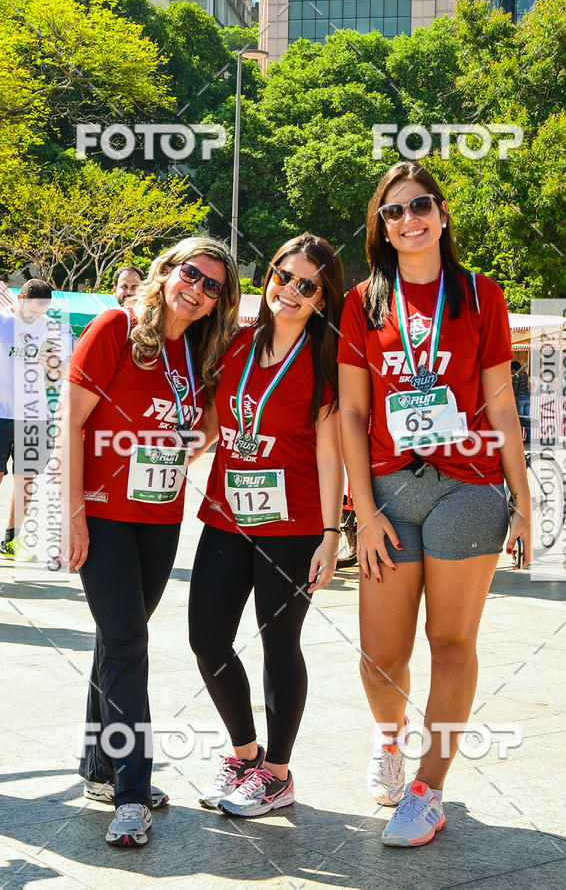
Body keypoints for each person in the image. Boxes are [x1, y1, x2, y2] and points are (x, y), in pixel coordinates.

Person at [337, 162, 531, 847]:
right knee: (379, 655)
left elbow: (502, 400)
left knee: (451, 643)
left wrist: (525, 501)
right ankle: (390, 740)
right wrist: (363, 508)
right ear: (380, 229)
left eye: (420, 205)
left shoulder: (481, 295)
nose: (409, 219)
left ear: (443, 215)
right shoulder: (363, 301)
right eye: (394, 211)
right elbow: (354, 410)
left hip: (470, 488)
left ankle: (429, 787)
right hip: (389, 492)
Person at [60, 237, 240, 847]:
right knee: (129, 642)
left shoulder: (195, 350)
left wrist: (181, 446)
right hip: (106, 515)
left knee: (117, 638)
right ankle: (133, 794)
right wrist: (75, 512)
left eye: (213, 286)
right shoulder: (115, 326)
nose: (198, 290)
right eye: (192, 274)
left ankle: (100, 767)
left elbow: (210, 423)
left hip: (161, 519)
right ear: (166, 272)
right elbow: (71, 422)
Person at [189, 233, 345, 817]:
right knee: (207, 637)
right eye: (283, 275)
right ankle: (245, 753)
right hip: (227, 515)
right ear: (270, 275)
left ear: (323, 297)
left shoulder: (324, 361)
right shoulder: (234, 345)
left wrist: (332, 534)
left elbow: (331, 455)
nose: (290, 290)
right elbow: (211, 421)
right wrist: (178, 449)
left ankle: (277, 774)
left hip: (296, 519)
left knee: (280, 644)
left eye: (307, 285)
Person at [0, 279, 72, 559]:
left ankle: (10, 539)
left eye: (41, 310)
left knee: (25, 478)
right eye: (31, 309)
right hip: (1, 413)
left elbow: (64, 372)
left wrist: (54, 364)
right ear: (20, 299)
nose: (35, 315)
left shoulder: (53, 329)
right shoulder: (3, 323)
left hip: (35, 416)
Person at [511, 359, 530, 443]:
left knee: (520, 420)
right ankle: (529, 438)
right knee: (527, 421)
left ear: (514, 369)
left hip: (520, 399)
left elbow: (514, 390)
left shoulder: (516, 376)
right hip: (528, 398)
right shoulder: (525, 374)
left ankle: (519, 438)